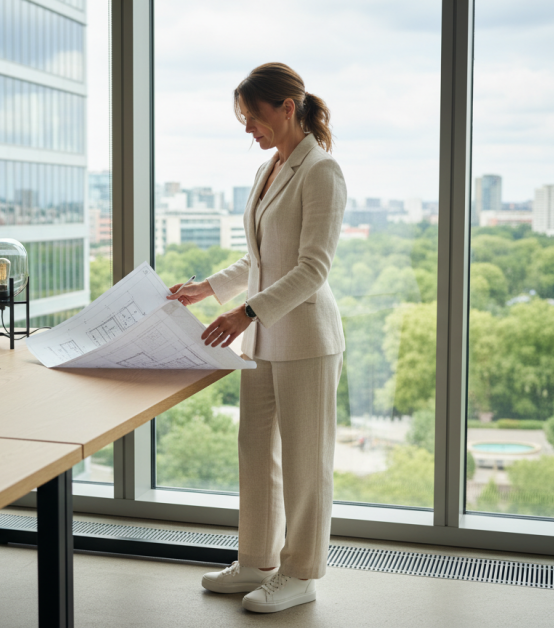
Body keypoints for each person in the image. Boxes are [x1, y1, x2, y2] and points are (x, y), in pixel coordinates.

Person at [167, 62, 346, 614]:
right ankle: (257, 562)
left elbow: (313, 269)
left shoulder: (322, 171)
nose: (248, 128)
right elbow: (260, 259)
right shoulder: (270, 169)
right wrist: (208, 290)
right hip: (263, 341)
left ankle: (301, 574)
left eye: (253, 116)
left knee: (305, 463)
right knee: (255, 452)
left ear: (286, 108)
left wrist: (246, 312)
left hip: (306, 340)